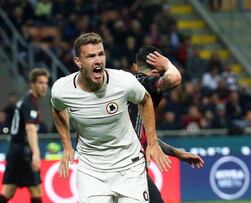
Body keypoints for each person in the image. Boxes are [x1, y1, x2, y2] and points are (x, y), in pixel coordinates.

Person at [51, 32, 170, 203]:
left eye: (101, 54)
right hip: (91, 170)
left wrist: (152, 143)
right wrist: (67, 146)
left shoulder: (123, 81)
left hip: (129, 166)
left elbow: (145, 100)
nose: (98, 60)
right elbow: (57, 109)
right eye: (91, 56)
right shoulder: (62, 89)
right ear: (78, 62)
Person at [129, 45, 204, 203]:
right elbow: (174, 78)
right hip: (129, 169)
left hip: (116, 167)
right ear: (157, 71)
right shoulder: (145, 84)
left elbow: (144, 137)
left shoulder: (123, 86)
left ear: (135, 67)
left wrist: (178, 153)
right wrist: (168, 64)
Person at [0, 68, 49, 203]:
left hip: (16, 150)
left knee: (8, 192)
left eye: (46, 83)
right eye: (40, 83)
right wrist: (36, 153)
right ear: (32, 84)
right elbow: (30, 128)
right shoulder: (29, 103)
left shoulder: (27, 101)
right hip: (23, 152)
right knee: (36, 190)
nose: (44, 86)